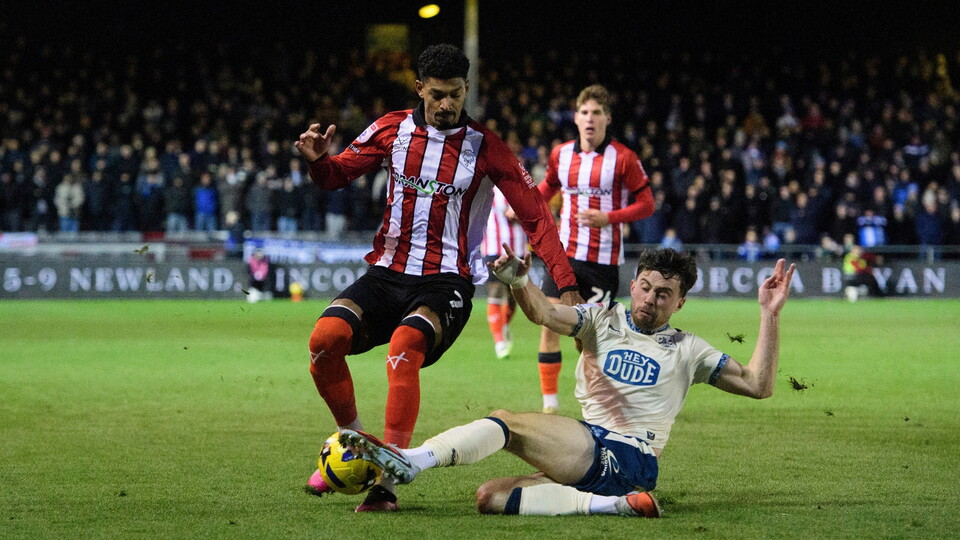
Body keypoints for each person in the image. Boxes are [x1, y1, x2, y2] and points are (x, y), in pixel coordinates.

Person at [295, 44, 581, 512]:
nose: (447, 104)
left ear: (466, 89)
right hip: (386, 273)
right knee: (324, 341)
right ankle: (354, 442)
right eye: (438, 94)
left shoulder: (486, 148)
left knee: (404, 346)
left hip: (445, 281)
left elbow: (536, 217)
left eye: (456, 94)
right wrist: (319, 161)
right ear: (419, 89)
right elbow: (336, 176)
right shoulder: (392, 129)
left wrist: (565, 283)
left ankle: (386, 481)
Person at [341, 246, 796, 517]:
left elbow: (759, 384)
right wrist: (520, 279)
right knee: (490, 497)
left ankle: (413, 460)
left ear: (679, 303)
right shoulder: (601, 319)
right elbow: (543, 312)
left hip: (628, 453)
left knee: (506, 422)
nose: (651, 299)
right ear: (633, 284)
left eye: (664, 294)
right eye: (646, 286)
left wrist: (768, 315)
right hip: (594, 456)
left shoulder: (689, 348)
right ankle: (617, 506)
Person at [534, 84, 654, 414]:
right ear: (575, 117)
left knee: (587, 337)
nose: (590, 119)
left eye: (596, 113)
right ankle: (550, 406)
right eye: (585, 112)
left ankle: (605, 396)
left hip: (602, 260)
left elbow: (647, 204)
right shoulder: (561, 154)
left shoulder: (624, 158)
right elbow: (549, 186)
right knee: (549, 319)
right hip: (563, 255)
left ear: (607, 119)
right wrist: (525, 205)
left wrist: (609, 217)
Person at [480, 187, 527, 359]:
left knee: (514, 294)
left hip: (518, 247)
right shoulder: (484, 187)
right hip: (493, 246)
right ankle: (499, 341)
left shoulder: (519, 186)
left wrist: (519, 213)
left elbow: (534, 212)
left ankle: (504, 325)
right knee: (495, 290)